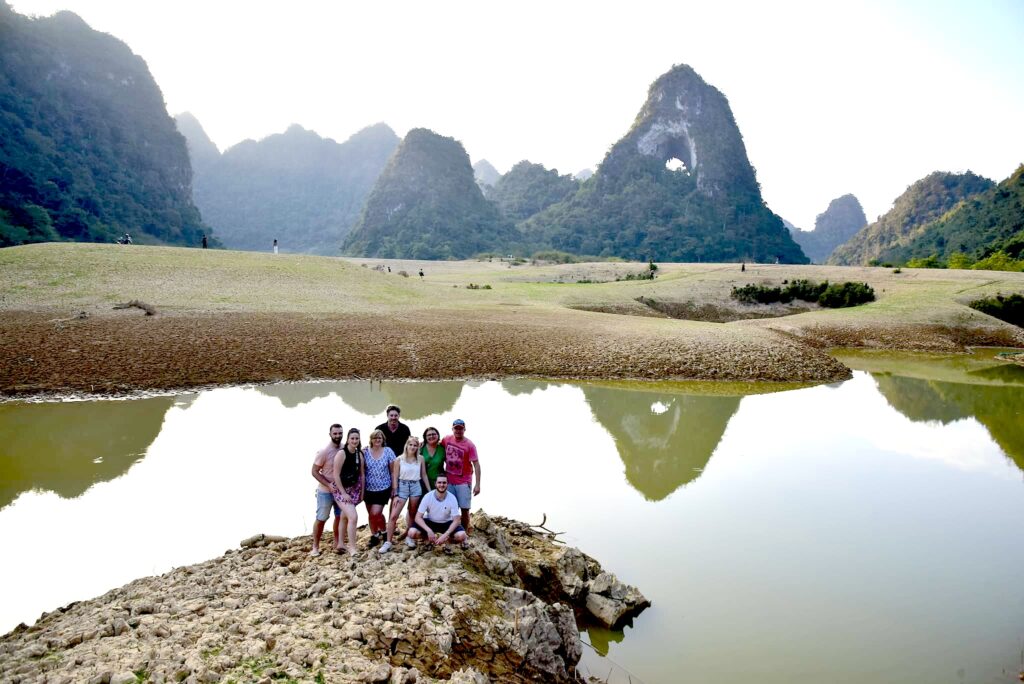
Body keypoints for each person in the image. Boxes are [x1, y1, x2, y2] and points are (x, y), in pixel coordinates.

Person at [380, 436, 430, 553]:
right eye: (410, 445)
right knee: (393, 516)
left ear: (418, 447)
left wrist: (429, 491)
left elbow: (424, 475)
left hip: (415, 486)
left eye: (415, 445)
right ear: (406, 445)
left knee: (412, 513)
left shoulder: (420, 459)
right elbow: (395, 477)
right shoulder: (399, 459)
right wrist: (396, 493)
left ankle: (409, 537)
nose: (412, 447)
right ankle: (388, 542)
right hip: (402, 486)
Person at [441, 418, 481, 534]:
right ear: (452, 429)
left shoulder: (470, 445)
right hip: (449, 480)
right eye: (456, 428)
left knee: (464, 509)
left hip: (464, 481)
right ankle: (449, 531)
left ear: (464, 429)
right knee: (449, 508)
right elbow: (435, 445)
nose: (458, 431)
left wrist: (477, 484)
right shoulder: (446, 439)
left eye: (461, 429)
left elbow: (477, 465)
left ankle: (464, 532)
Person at [309, 423, 344, 557]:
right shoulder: (324, 452)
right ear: (330, 434)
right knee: (321, 518)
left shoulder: (344, 448)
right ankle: (315, 547)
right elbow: (314, 471)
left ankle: (337, 543)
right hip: (325, 491)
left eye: (340, 433)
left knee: (340, 517)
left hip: (340, 491)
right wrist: (328, 484)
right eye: (335, 433)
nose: (337, 436)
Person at [406, 474, 467, 548]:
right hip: (431, 521)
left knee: (462, 536)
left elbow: (456, 520)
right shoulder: (428, 496)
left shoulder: (452, 498)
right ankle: (427, 539)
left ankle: (448, 541)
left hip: (447, 523)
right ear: (435, 484)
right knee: (412, 533)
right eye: (439, 482)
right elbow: (418, 517)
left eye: (444, 483)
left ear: (447, 484)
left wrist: (445, 535)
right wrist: (428, 530)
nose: (441, 485)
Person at [331, 428, 364, 556]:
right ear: (348, 440)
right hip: (341, 490)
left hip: (354, 490)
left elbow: (362, 474)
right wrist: (343, 493)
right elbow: (336, 475)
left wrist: (362, 492)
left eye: (357, 438)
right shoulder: (341, 454)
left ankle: (340, 543)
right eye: (352, 438)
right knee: (353, 516)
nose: (354, 441)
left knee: (344, 516)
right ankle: (352, 547)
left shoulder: (359, 454)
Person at [362, 429, 396, 548]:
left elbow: (393, 471)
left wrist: (394, 487)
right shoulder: (365, 452)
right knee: (372, 515)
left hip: (383, 488)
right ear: (371, 440)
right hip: (368, 489)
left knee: (375, 513)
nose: (377, 440)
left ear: (383, 440)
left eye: (379, 438)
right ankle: (377, 534)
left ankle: (382, 532)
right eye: (375, 438)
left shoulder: (388, 451)